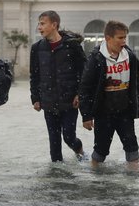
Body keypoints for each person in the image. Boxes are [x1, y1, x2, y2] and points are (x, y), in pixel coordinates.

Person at [79, 20, 139, 168]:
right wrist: (86, 116)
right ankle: (96, 179)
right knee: (100, 151)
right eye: (120, 38)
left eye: (125, 37)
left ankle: (134, 181)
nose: (123, 41)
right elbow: (85, 89)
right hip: (103, 113)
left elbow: (138, 85)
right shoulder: (96, 59)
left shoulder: (130, 57)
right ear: (108, 38)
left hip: (125, 112)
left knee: (132, 149)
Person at [29, 10, 87, 162]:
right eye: (39, 24)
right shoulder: (37, 48)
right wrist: (35, 98)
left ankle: (79, 151)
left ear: (54, 25)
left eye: (42, 24)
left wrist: (79, 94)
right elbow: (34, 75)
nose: (39, 27)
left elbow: (83, 72)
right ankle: (56, 179)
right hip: (48, 102)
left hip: (69, 102)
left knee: (68, 137)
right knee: (54, 146)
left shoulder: (72, 46)